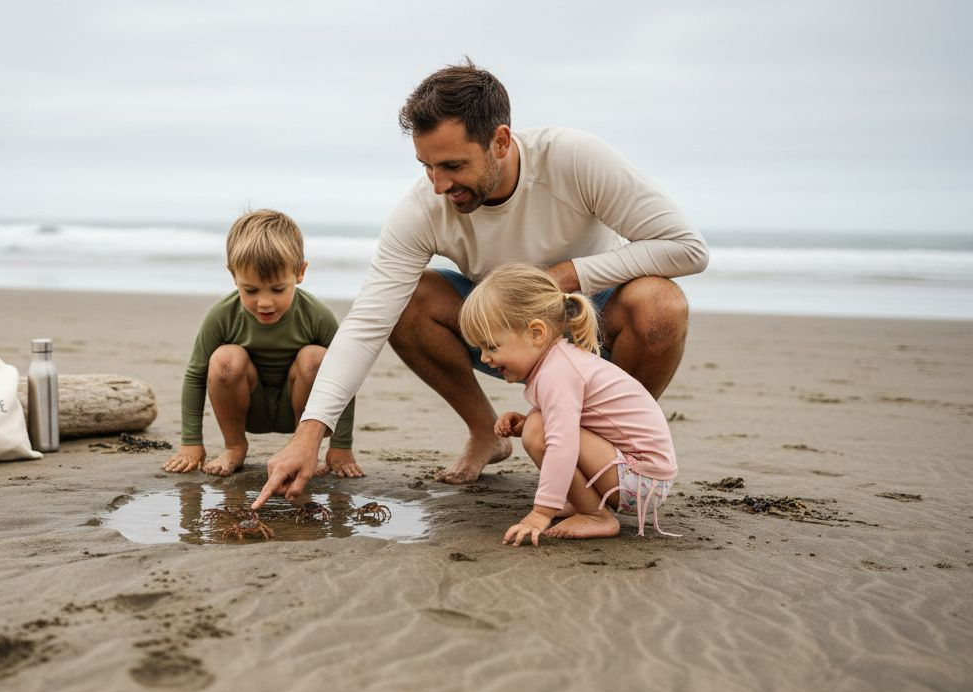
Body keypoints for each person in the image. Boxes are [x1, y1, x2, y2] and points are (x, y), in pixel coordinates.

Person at [255, 60, 706, 508]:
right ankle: (482, 432)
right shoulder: (423, 208)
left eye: (452, 164)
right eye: (426, 166)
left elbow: (688, 248)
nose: (438, 184)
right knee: (408, 300)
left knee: (661, 304)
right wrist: (310, 434)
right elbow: (368, 321)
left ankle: (607, 451)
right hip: (498, 334)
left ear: (502, 141)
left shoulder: (573, 159)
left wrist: (568, 275)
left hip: (587, 324)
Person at [460, 263, 678, 544]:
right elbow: (583, 419)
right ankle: (584, 502)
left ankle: (596, 515)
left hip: (643, 479)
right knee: (536, 425)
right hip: (639, 476)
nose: (485, 358)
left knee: (539, 431)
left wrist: (541, 512)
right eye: (480, 349)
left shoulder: (557, 372)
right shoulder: (559, 363)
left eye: (492, 346)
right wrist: (525, 423)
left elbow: (562, 443)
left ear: (536, 333)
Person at [162, 209, 363, 478]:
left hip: (301, 411)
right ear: (233, 275)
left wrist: (341, 446)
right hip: (246, 407)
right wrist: (191, 442)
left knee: (316, 358)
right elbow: (195, 375)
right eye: (251, 290)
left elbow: (343, 378)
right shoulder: (222, 315)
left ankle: (303, 448)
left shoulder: (316, 315)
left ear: (300, 272)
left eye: (278, 289)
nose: (265, 302)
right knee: (224, 359)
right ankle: (234, 447)